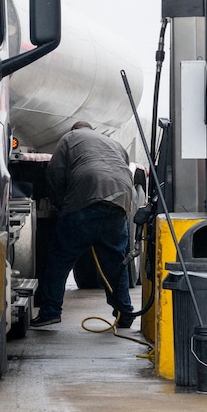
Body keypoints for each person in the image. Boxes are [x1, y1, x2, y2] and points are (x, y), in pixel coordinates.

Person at [31, 121, 139, 330]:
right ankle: (124, 314)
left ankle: (50, 312)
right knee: (116, 263)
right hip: (119, 201)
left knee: (59, 260)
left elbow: (55, 173)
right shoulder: (112, 142)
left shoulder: (70, 138)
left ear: (74, 129)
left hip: (85, 201)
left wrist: (60, 205)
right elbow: (123, 168)